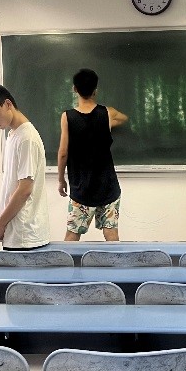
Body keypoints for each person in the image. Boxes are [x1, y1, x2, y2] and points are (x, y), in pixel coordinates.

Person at [0, 82, 50, 249]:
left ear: (8, 104)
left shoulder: (26, 138)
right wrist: (2, 223)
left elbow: (24, 190)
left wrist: (0, 224)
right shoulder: (13, 134)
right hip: (16, 232)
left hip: (25, 235)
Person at [57, 68, 128, 241]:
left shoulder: (67, 117)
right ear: (95, 90)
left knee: (72, 235)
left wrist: (61, 180)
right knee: (111, 233)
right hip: (108, 187)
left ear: (74, 89)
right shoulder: (108, 113)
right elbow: (124, 118)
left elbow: (63, 153)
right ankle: (117, 259)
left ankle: (66, 260)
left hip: (81, 189)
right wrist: (107, 125)